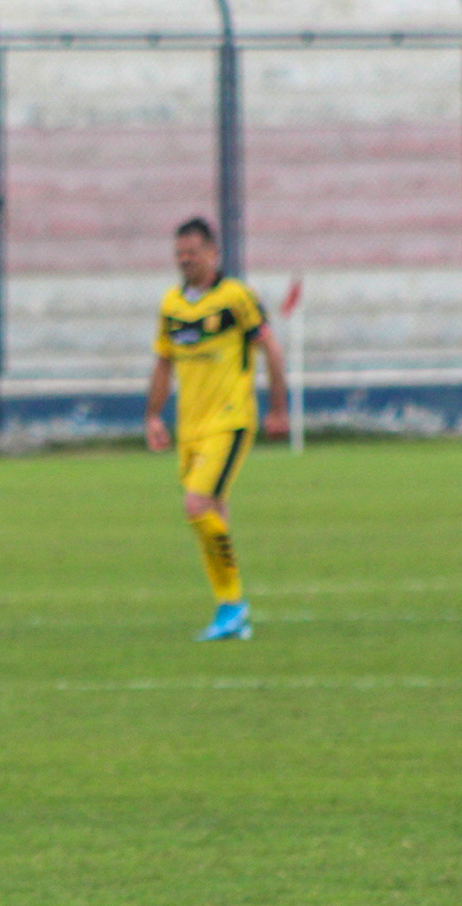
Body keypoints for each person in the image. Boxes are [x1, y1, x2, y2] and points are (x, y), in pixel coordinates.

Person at [143, 217, 289, 642]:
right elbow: (163, 362)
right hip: (190, 427)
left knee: (196, 505)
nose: (185, 260)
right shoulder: (172, 305)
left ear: (213, 252)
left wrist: (278, 409)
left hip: (230, 420)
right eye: (179, 253)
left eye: (193, 252)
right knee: (212, 513)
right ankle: (232, 613)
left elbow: (270, 349)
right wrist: (153, 416)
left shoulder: (235, 298)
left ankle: (232, 605)